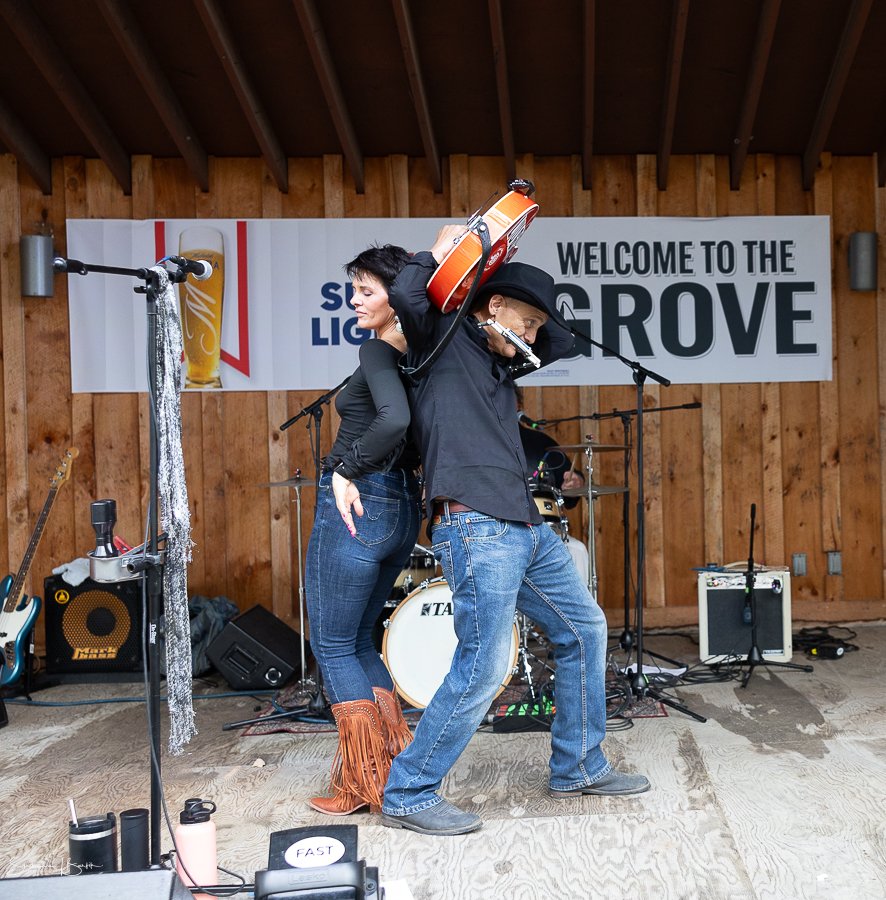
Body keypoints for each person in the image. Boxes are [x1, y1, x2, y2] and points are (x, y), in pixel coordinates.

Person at [381, 226, 650, 836]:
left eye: (533, 329)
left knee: (584, 629)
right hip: (475, 524)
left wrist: (520, 319)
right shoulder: (440, 341)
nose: (531, 337)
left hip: (525, 525)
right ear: (493, 305)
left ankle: (578, 767)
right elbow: (408, 294)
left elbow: (558, 341)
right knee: (482, 664)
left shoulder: (503, 364)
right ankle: (409, 792)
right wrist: (445, 254)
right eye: (524, 322)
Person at [304, 244, 422, 816]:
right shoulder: (422, 355)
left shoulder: (378, 349)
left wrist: (346, 470)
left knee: (331, 644)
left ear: (396, 300)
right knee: (357, 641)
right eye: (354, 288)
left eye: (366, 290)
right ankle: (392, 764)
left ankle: (363, 784)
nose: (353, 300)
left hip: (358, 502)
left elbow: (395, 419)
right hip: (400, 507)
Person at [516, 388, 591, 583]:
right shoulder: (477, 444)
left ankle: (578, 605)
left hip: (543, 531)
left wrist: (576, 481)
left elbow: (569, 490)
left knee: (577, 550)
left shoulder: (540, 442)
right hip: (492, 534)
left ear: (518, 405)